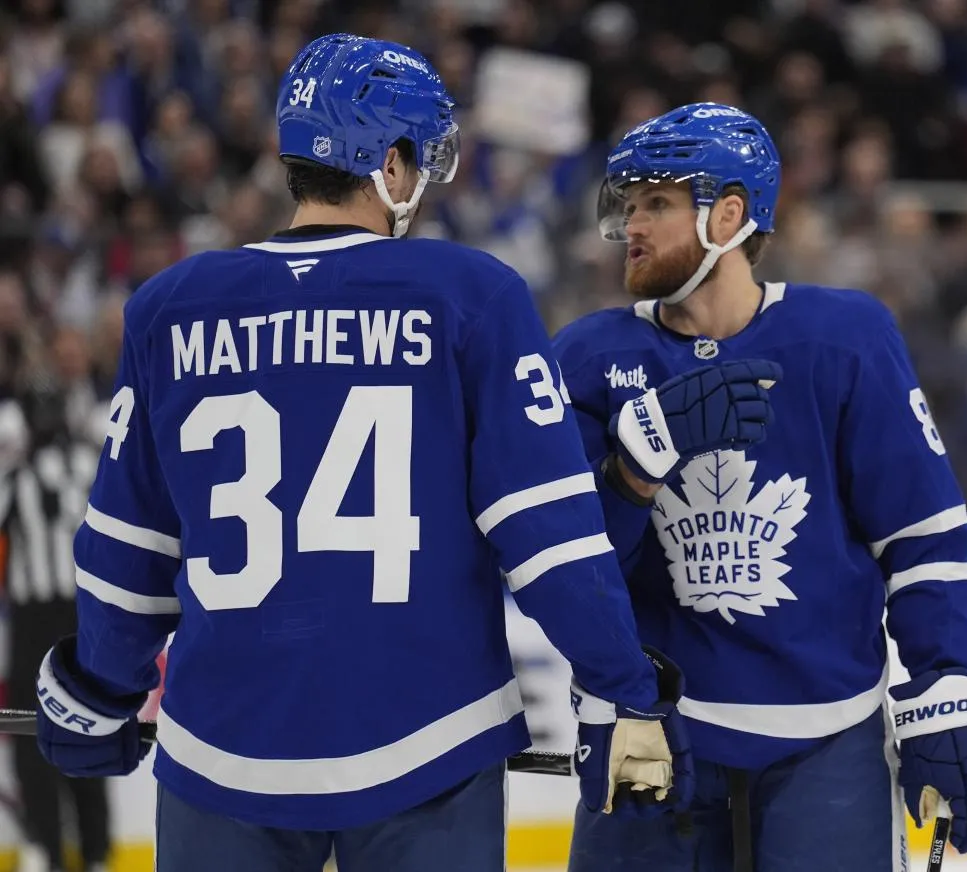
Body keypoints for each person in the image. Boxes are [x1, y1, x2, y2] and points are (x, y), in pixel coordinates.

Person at [32, 34, 693, 872]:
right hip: (429, 740)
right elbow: (548, 535)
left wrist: (100, 690)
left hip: (220, 749)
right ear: (388, 162)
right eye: (417, 159)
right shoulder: (471, 294)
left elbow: (129, 551)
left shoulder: (168, 307)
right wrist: (624, 684)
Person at [553, 102, 967, 871]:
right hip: (651, 735)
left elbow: (923, 534)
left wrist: (946, 692)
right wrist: (635, 462)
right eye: (628, 206)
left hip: (825, 738)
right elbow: (568, 565)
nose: (633, 224)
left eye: (658, 203)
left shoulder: (844, 338)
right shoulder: (589, 358)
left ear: (729, 214)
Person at [1, 327, 115, 872]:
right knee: (83, 728)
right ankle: (87, 851)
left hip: (43, 617)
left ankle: (60, 850)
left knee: (41, 736)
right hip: (78, 616)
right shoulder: (89, 464)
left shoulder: (16, 472)